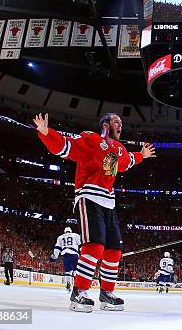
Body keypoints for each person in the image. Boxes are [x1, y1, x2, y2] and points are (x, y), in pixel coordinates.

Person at [34, 112, 155, 312]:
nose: (120, 125)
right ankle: (79, 292)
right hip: (88, 197)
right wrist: (46, 133)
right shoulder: (91, 139)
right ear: (105, 124)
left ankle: (106, 293)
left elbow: (127, 161)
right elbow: (66, 147)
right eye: (116, 121)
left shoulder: (119, 148)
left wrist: (142, 155)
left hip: (109, 203)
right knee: (95, 246)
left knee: (114, 251)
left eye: (121, 123)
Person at [51, 227, 81, 291]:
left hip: (66, 254)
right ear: (71, 231)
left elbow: (57, 248)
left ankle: (68, 284)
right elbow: (80, 245)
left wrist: (54, 257)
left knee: (68, 271)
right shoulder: (75, 235)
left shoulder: (60, 237)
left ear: (65, 232)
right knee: (76, 270)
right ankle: (76, 286)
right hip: (74, 254)